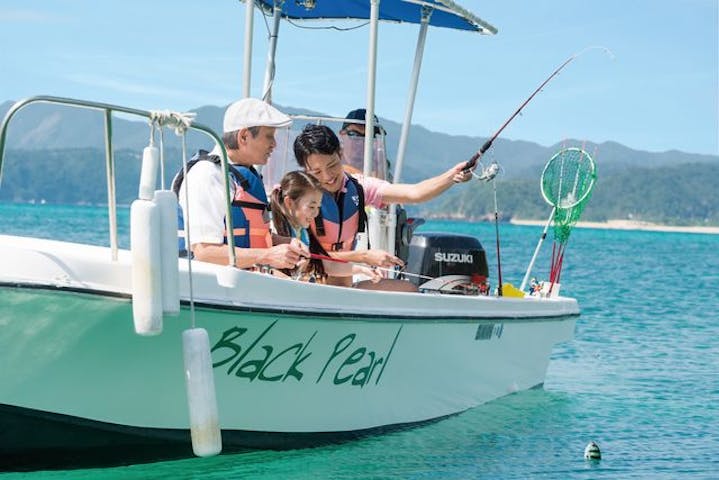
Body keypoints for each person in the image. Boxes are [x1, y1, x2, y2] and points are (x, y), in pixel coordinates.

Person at [293, 123, 473, 288]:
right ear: (304, 171)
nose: (327, 176)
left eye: (332, 165)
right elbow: (308, 258)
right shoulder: (296, 197)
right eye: (316, 172)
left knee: (408, 290)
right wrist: (364, 257)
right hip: (310, 287)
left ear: (340, 154)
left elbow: (415, 193)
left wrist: (451, 176)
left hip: (344, 288)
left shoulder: (359, 187)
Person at [172, 98, 306, 270]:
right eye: (269, 136)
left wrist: (285, 243)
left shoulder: (240, 175)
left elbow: (245, 233)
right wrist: (268, 256)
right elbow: (205, 252)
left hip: (239, 286)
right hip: (208, 292)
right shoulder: (207, 175)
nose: (274, 144)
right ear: (243, 136)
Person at [269, 170, 381, 284]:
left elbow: (327, 265)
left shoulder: (303, 232)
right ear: (289, 203)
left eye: (318, 208)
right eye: (312, 207)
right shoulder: (272, 229)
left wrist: (362, 270)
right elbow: (265, 269)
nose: (316, 214)